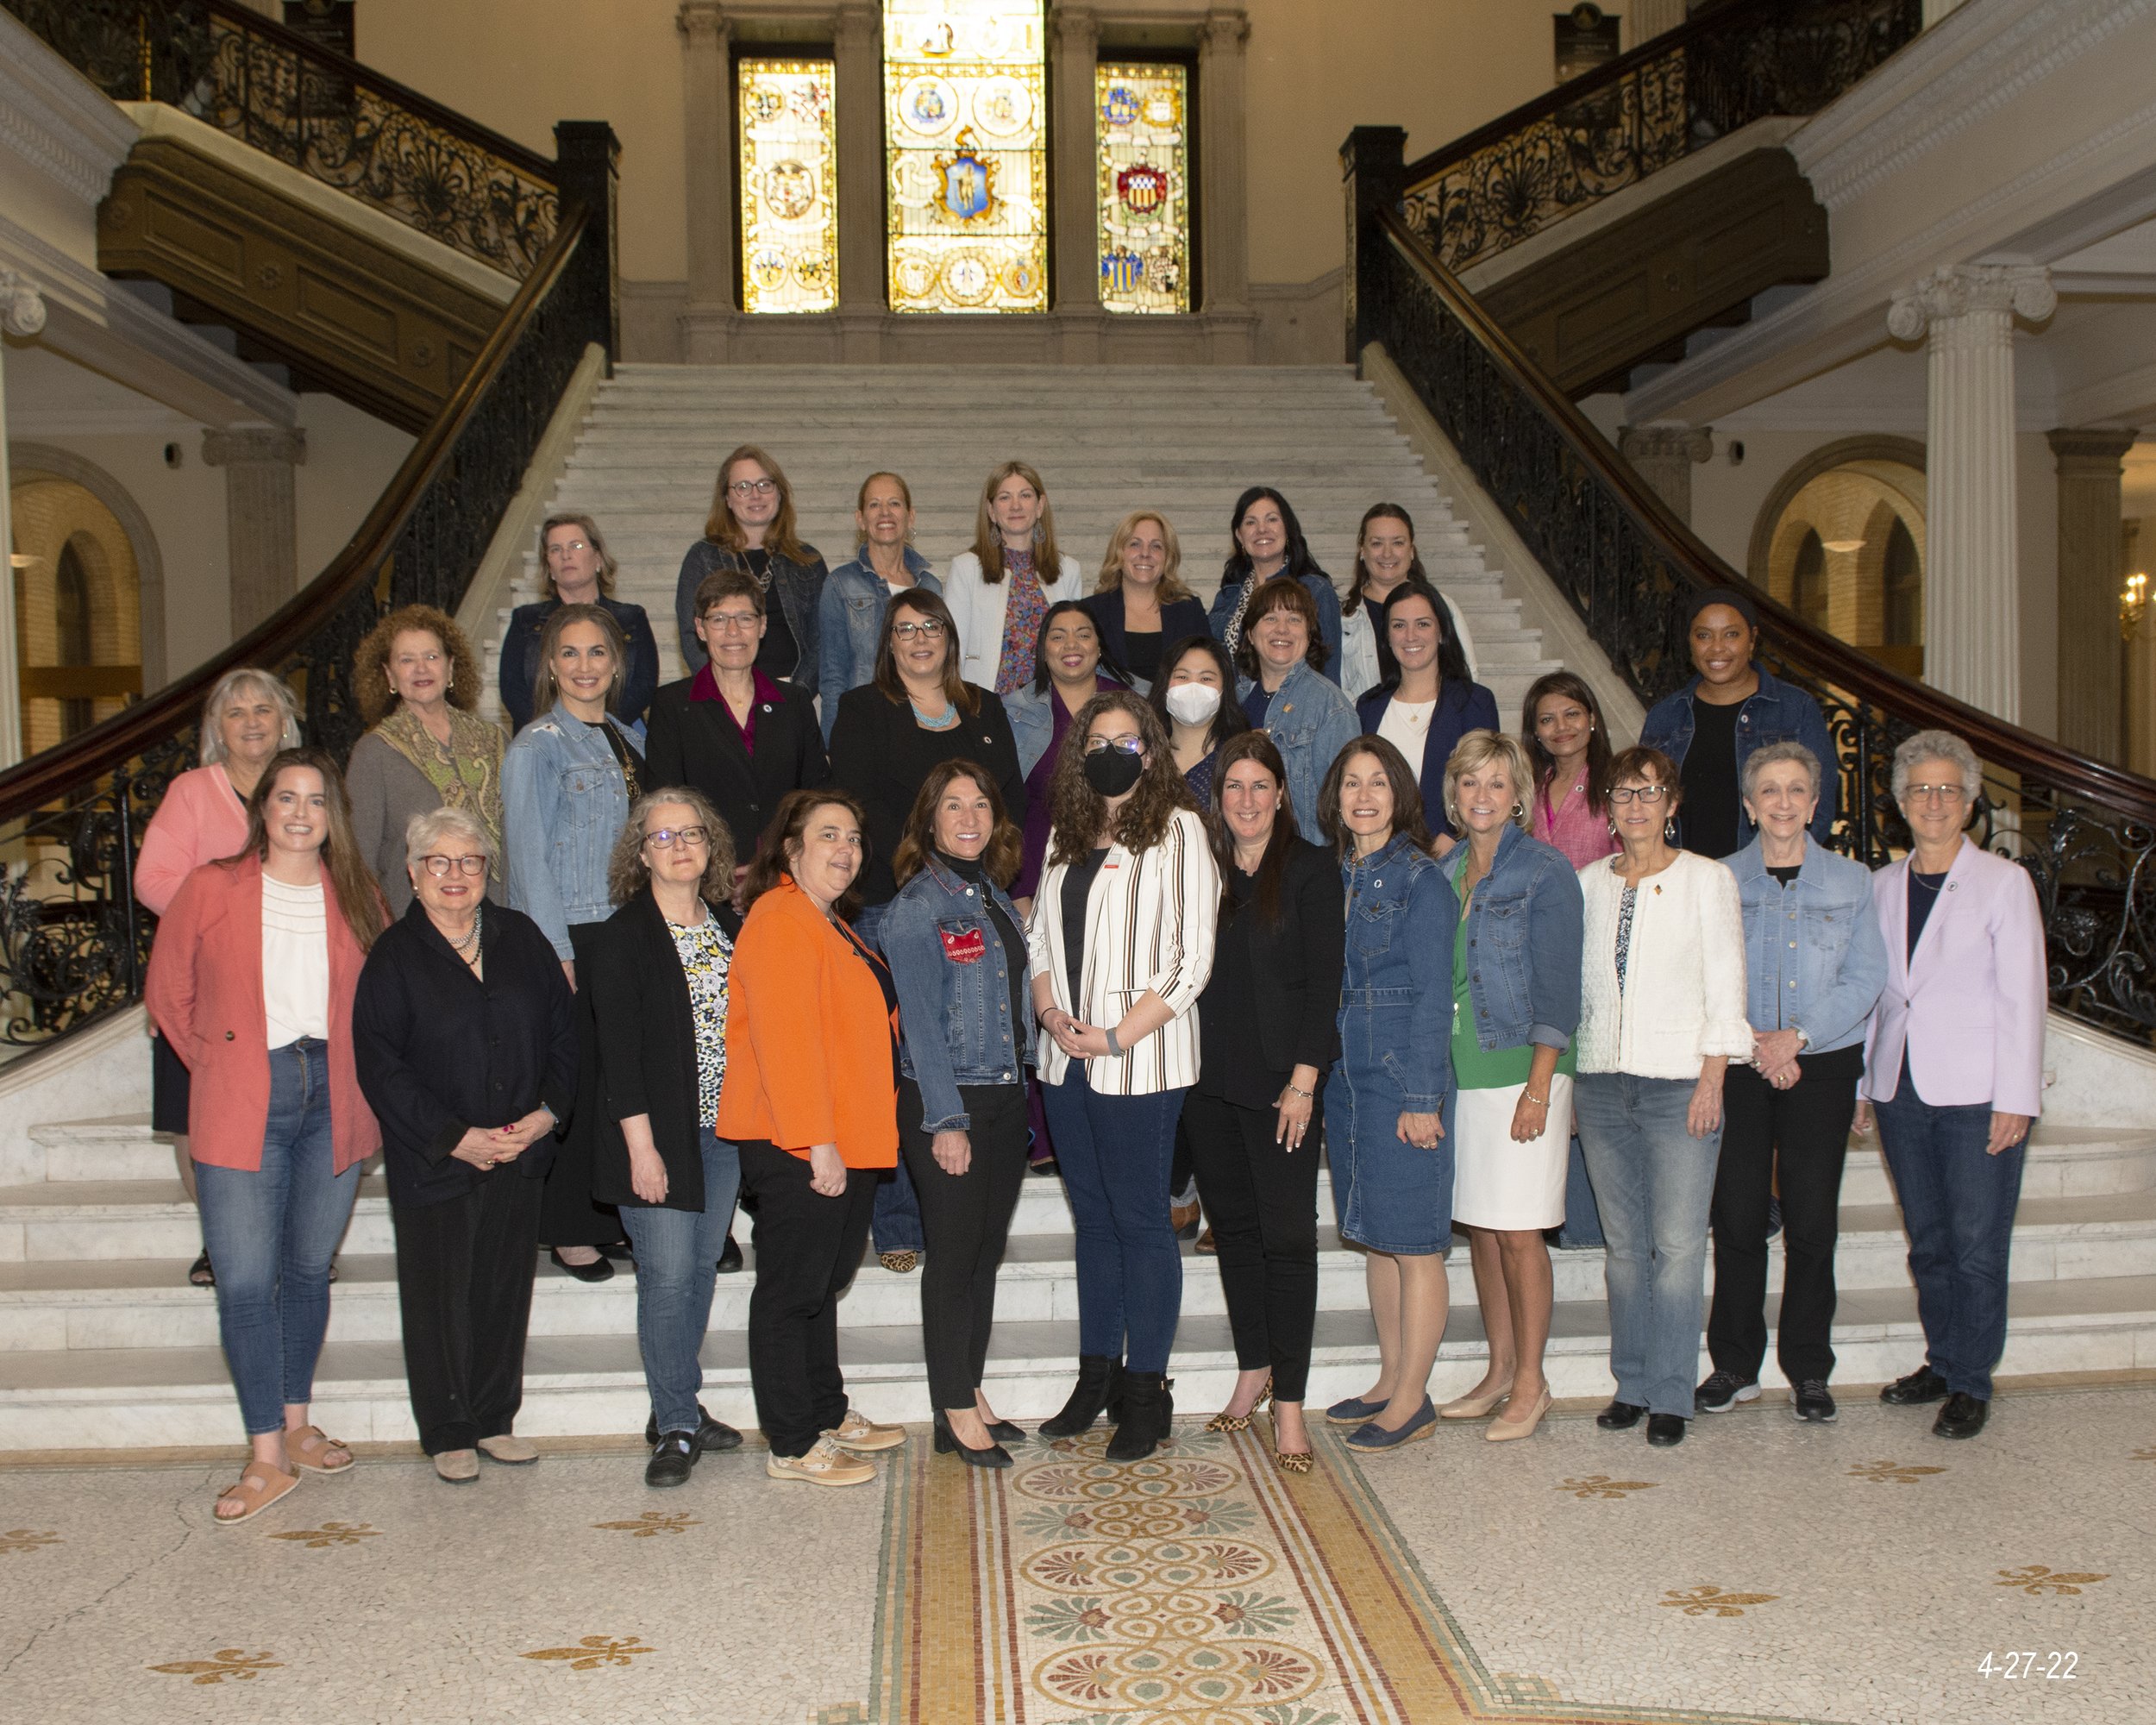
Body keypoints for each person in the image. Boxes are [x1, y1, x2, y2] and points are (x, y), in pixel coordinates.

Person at [142, 748, 384, 1523]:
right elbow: (168, 992)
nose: (301, 811)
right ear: (264, 808)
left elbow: (380, 995)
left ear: (331, 815)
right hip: (248, 1093)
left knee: (309, 1268)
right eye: (287, 797)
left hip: (335, 1097)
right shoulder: (213, 885)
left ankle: (296, 1420)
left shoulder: (355, 891)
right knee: (247, 1284)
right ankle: (265, 1456)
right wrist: (219, 1065)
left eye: (316, 799)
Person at [352, 807, 575, 1484]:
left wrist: (547, 1115)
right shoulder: (393, 957)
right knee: (438, 1296)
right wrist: (455, 1138)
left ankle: (494, 1419)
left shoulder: (523, 939)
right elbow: (380, 1064)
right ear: (414, 874)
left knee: (504, 1289)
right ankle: (448, 1429)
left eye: (470, 862)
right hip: (437, 1159)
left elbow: (567, 1035)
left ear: (487, 871)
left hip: (519, 1149)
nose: (456, 875)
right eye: (439, 862)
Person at [1031, 692, 1219, 1461]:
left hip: (1138, 1057)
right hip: (1063, 1057)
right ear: (1081, 756)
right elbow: (1040, 936)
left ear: (1152, 751)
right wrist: (1050, 1017)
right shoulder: (1065, 834)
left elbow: (1190, 961)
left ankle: (1147, 1390)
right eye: (1098, 741)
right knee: (1094, 1222)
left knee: (1142, 1222)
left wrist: (1112, 1035)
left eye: (1128, 741)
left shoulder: (1179, 831)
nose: (1113, 752)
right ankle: (1096, 1374)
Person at [1857, 730, 2044, 1441]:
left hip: (1977, 1093)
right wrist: (1865, 1083)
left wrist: (2017, 1097)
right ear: (1901, 804)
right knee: (1928, 1239)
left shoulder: (2004, 882)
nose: (1933, 802)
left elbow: (2025, 995)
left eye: (1947, 790)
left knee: (1975, 1242)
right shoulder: (1881, 885)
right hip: (1901, 1086)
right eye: (1919, 790)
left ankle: (1971, 1379)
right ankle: (1942, 1359)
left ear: (1969, 803)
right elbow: (1880, 994)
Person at [716, 790, 907, 1487]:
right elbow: (785, 1040)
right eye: (828, 835)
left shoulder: (829, 922)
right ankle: (793, 1442)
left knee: (822, 1285)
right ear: (790, 849)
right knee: (792, 1289)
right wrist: (816, 1142)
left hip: (844, 1135)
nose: (846, 849)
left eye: (854, 837)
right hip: (799, 1137)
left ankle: (825, 1409)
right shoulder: (780, 918)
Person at [1701, 742, 1885, 1425]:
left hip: (1822, 1063)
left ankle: (1809, 1367)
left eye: (1796, 790)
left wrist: (1796, 1037)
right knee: (1739, 1217)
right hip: (1742, 1064)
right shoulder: (1718, 878)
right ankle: (1733, 1365)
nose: (1783, 802)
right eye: (1769, 791)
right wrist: (1757, 1042)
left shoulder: (1853, 882)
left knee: (1812, 1222)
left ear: (1815, 803)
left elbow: (1865, 979)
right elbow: (1708, 974)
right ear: (1750, 806)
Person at [1574, 746, 1750, 1449]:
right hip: (1603, 1083)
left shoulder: (1707, 880)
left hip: (1681, 1083)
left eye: (1650, 793)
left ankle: (1673, 1391)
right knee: (1624, 1248)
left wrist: (1714, 1077)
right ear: (1608, 808)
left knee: (1677, 1247)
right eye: (1623, 794)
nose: (1637, 806)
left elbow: (1726, 982)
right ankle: (1633, 1383)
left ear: (1673, 803)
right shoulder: (1588, 883)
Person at [1183, 731, 1343, 1471]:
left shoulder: (1310, 870)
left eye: (1259, 787)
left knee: (1287, 1241)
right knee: (1237, 1234)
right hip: (1207, 1085)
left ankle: (1290, 1408)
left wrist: (1304, 1083)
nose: (1246, 801)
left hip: (1283, 1089)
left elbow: (1323, 986)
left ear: (1281, 794)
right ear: (1218, 800)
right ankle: (1253, 1368)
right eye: (1233, 788)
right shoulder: (1201, 871)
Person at [586, 788, 751, 1485]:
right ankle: (677, 1427)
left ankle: (675, 1402)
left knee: (700, 1271)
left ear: (711, 846)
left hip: (724, 1132)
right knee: (665, 1277)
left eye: (692, 834)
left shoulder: (726, 924)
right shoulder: (622, 936)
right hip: (656, 1135)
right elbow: (616, 1055)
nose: (680, 846)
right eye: (662, 837)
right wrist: (642, 1149)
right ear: (640, 853)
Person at [879, 763, 1035, 1467]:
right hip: (950, 1099)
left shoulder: (993, 896)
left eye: (980, 803)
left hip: (1003, 1094)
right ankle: (952, 1409)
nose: (968, 816)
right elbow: (918, 1023)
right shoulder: (916, 907)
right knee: (952, 1260)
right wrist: (945, 1121)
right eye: (952, 805)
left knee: (985, 1255)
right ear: (929, 819)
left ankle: (968, 1389)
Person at [1431, 731, 1583, 1442]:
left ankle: (1532, 1382)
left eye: (1496, 783)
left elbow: (1560, 990)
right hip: (1465, 1075)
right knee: (1485, 1232)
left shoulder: (1545, 871)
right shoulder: (1449, 868)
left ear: (1518, 794)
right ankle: (1498, 1372)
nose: (1482, 796)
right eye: (1470, 783)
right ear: (1454, 796)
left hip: (1523, 1072)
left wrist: (1539, 1088)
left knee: (1521, 1233)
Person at [137, 668, 304, 1289]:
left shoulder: (307, 786)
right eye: (237, 713)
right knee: (197, 1115)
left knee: (290, 1113)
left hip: (293, 983)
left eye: (264, 709)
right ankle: (221, 1239)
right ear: (216, 728)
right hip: (202, 985)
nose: (253, 722)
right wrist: (229, 911)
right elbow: (152, 882)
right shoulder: (190, 791)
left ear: (285, 720)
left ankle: (292, 1240)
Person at [1315, 738, 1458, 1453]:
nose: (1363, 795)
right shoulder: (1335, 873)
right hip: (1346, 1077)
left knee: (1415, 1243)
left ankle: (1412, 1399)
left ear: (1399, 794)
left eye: (1378, 782)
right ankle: (1389, 1376)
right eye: (1350, 783)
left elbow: (1435, 996)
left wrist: (1423, 1097)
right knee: (1375, 1234)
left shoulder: (1420, 880)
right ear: (1335, 796)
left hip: (1402, 1075)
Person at [502, 603, 644, 1283]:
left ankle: (608, 1215)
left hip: (623, 931)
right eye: (570, 654)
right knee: (577, 1085)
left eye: (597, 654)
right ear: (550, 665)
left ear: (615, 664)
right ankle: (566, 1228)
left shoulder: (628, 735)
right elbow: (527, 856)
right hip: (571, 933)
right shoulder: (537, 745)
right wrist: (552, 948)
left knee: (618, 1084)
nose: (585, 666)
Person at [1521, 670, 1619, 1251]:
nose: (1560, 728)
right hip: (1534, 956)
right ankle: (1548, 1214)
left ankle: (1585, 1224)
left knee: (1587, 1088)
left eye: (1571, 715)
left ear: (1593, 719)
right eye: (1546, 719)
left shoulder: (1614, 787)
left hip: (1597, 954)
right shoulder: (1527, 789)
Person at [644, 568, 830, 864]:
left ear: (762, 626)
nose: (733, 632)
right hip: (706, 875)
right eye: (718, 619)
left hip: (784, 872)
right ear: (700, 629)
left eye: (745, 618)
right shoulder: (672, 705)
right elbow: (664, 802)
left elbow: (816, 796)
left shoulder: (795, 702)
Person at [1638, 586, 1838, 858]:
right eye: (1704, 635)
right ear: (1690, 642)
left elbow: (1820, 806)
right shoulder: (1666, 715)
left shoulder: (1795, 709)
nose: (1717, 647)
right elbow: (1645, 803)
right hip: (1683, 884)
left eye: (1731, 634)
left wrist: (1778, 869)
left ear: (1752, 640)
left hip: (1764, 882)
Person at [346, 605, 506, 919]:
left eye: (431, 657)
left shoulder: (496, 741)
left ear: (451, 668)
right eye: (407, 660)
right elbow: (359, 864)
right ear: (390, 675)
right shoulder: (373, 752)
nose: (421, 669)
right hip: (413, 931)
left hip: (498, 922)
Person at [1355, 580, 1499, 853]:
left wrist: (1449, 840)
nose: (1410, 636)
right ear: (1386, 636)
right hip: (1381, 857)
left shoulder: (1474, 702)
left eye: (1422, 624)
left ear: (1442, 632)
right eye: (1399, 625)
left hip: (1452, 857)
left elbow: (1487, 784)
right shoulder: (1368, 706)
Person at [674, 443, 826, 695]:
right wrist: (723, 693)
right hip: (726, 694)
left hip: (796, 694)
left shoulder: (808, 560)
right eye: (743, 487)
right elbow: (692, 635)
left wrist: (796, 695)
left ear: (779, 494)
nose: (755, 495)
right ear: (727, 499)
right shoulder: (701, 558)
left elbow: (822, 641)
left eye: (765, 484)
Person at [1008, 599, 1128, 905]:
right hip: (1037, 862)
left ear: (1099, 646)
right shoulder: (1012, 711)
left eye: (1083, 634)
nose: (1071, 644)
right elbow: (1006, 805)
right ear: (1044, 650)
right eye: (1058, 636)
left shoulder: (1131, 702)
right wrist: (1019, 891)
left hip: (1121, 858)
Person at [499, 513, 661, 732]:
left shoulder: (631, 618)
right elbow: (513, 689)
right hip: (542, 739)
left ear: (597, 559)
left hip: (616, 733)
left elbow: (644, 685)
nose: (565, 555)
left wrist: (594, 725)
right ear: (549, 567)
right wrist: (556, 731)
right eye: (555, 549)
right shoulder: (525, 621)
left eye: (575, 546)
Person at [1233, 576, 1358, 846]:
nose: (1282, 629)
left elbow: (1346, 807)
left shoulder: (1331, 707)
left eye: (1294, 619)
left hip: (1303, 864)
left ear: (1309, 634)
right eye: (1270, 618)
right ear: (1251, 634)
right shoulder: (1234, 701)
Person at [817, 472, 941, 739]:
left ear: (910, 516)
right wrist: (833, 743)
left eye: (894, 503)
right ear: (860, 519)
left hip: (925, 726)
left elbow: (943, 666)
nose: (885, 512)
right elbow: (832, 674)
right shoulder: (840, 584)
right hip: (865, 728)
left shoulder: (931, 586)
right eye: (874, 504)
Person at [943, 460, 1083, 695]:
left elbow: (1075, 647)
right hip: (987, 702)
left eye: (1025, 496)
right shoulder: (966, 568)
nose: (1015, 506)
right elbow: (952, 649)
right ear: (991, 511)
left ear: (1040, 506)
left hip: (1049, 704)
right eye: (1005, 497)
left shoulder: (1068, 570)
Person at [1338, 503, 1477, 699]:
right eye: (1377, 543)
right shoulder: (1343, 617)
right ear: (1362, 550)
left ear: (1411, 550)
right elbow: (1337, 688)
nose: (1387, 554)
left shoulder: (1442, 606)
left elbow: (1467, 673)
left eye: (1398, 543)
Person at [1208, 486, 1343, 682]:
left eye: (1272, 519)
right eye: (1251, 522)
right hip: (1237, 708)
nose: (1262, 529)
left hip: (1295, 708)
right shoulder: (1229, 595)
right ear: (1239, 536)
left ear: (1287, 528)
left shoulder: (1315, 590)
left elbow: (1329, 671)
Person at [1078, 510, 1209, 691]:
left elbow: (1209, 672)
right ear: (1119, 552)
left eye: (1156, 546)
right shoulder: (1090, 612)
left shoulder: (1189, 611)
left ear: (1168, 557)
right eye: (1134, 544)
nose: (1145, 553)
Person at [1150, 633, 1250, 807]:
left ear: (1224, 688)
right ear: (1164, 683)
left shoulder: (1238, 759)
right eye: (1182, 677)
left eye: (1206, 678)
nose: (1193, 686)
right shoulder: (1145, 756)